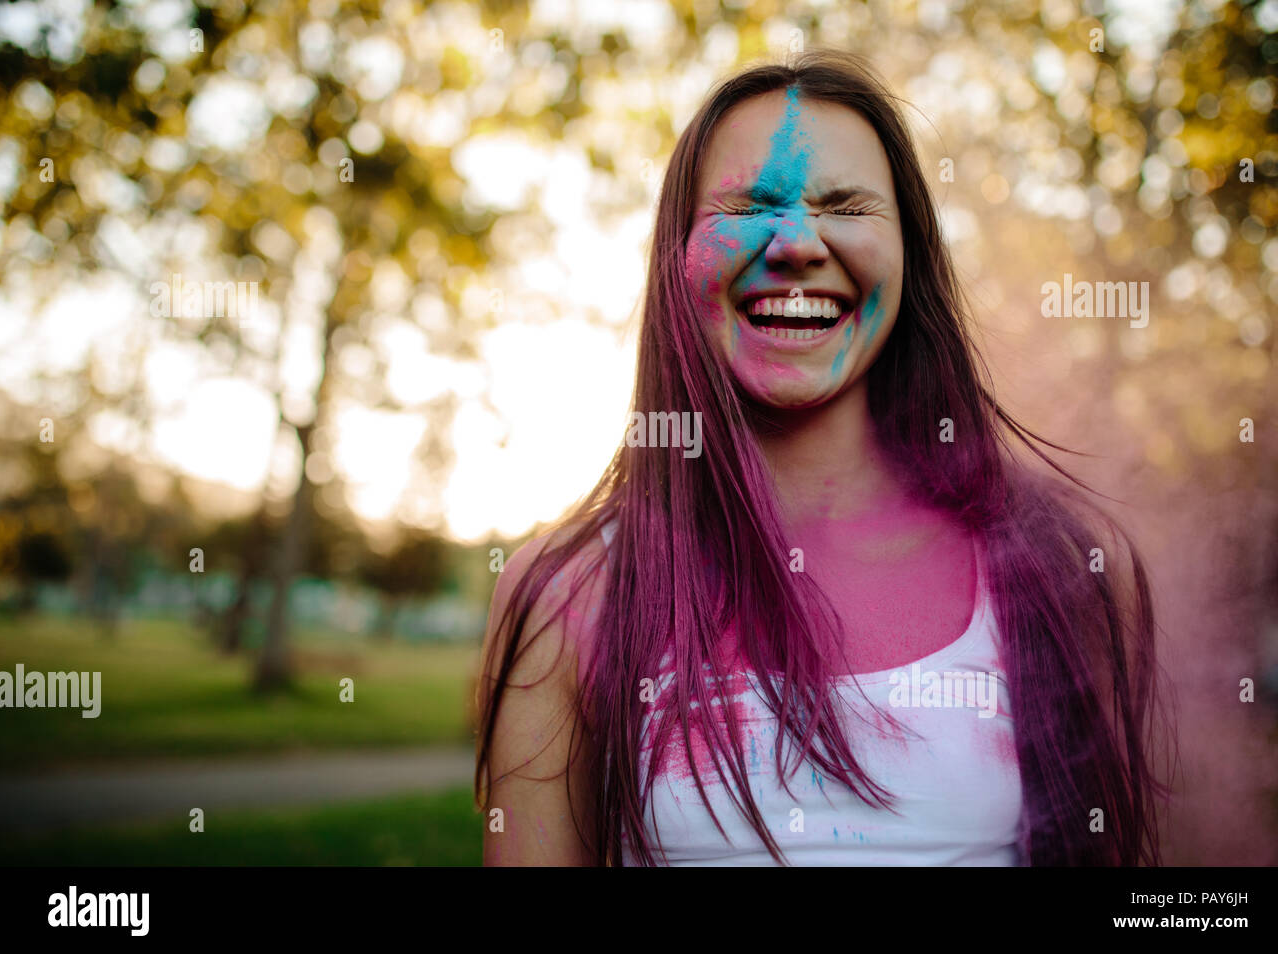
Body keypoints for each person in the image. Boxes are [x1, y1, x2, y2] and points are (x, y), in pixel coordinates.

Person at [475, 49, 1171, 866]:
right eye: (749, 205)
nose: (798, 242)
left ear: (911, 257)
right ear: (676, 258)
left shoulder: (1066, 567)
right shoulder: (568, 595)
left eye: (845, 207)